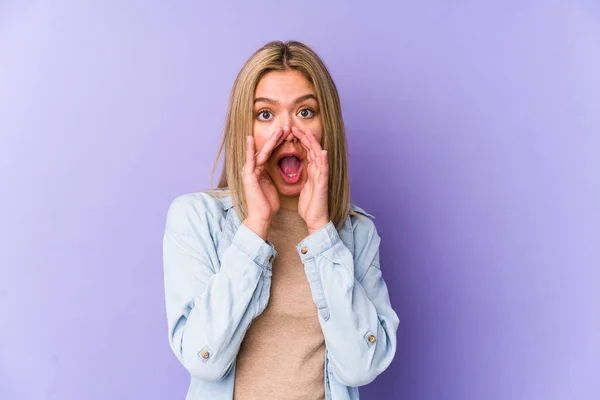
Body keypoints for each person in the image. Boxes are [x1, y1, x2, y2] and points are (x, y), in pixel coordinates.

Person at [162, 40, 399, 400]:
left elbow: (360, 367)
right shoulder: (197, 218)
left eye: (305, 112)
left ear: (326, 126)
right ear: (246, 128)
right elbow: (203, 359)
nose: (286, 131)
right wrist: (256, 226)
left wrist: (321, 231)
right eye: (265, 115)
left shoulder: (356, 233)